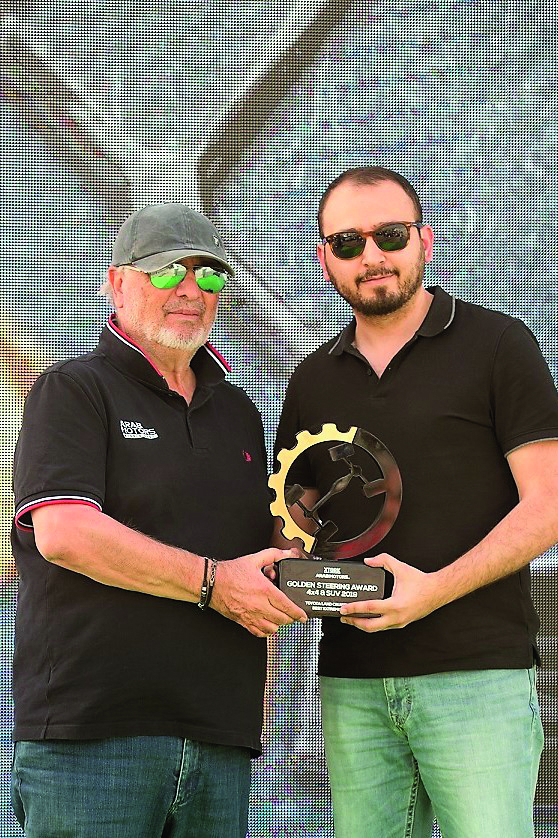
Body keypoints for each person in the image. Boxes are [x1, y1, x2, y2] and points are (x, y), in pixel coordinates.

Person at [273, 167, 558, 838]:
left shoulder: (498, 346)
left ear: (425, 240)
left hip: (477, 680)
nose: (370, 256)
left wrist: (433, 591)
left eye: (390, 235)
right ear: (324, 259)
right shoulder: (312, 380)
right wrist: (279, 571)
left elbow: (548, 503)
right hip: (353, 683)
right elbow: (296, 525)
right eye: (346, 243)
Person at [11, 202, 306, 838]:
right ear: (117, 283)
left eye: (210, 275)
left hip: (219, 745)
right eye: (168, 272)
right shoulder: (74, 390)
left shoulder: (240, 414)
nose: (191, 291)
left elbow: (257, 564)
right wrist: (212, 583)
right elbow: (65, 533)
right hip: (93, 743)